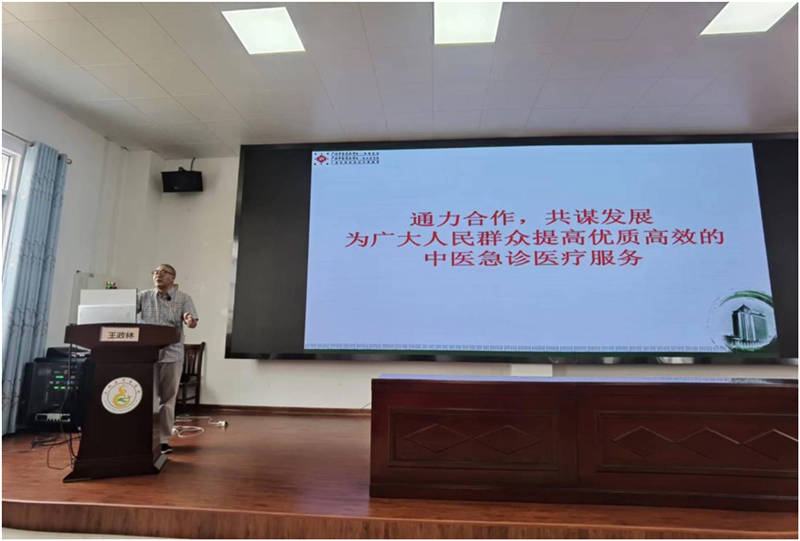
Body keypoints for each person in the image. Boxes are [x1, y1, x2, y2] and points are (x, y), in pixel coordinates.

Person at [136, 264, 199, 454]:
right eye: (155, 272)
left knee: (167, 399)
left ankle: (163, 440)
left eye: (163, 272)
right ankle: (143, 437)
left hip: (172, 354)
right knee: (145, 397)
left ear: (172, 277)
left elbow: (192, 322)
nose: (158, 275)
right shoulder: (143, 296)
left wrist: (189, 320)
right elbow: (124, 312)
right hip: (147, 355)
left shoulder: (183, 298)